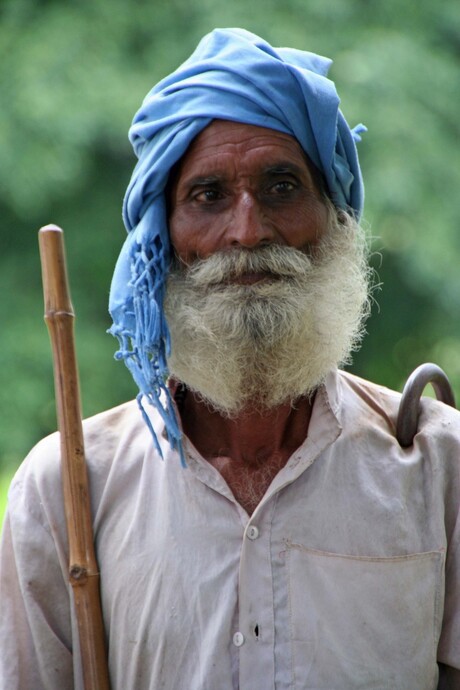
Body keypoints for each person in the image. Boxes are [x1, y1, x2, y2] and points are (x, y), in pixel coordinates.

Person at [0, 27, 459, 690]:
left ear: (334, 220)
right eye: (208, 197)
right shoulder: (68, 488)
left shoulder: (439, 471)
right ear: (165, 238)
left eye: (280, 188)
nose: (246, 231)